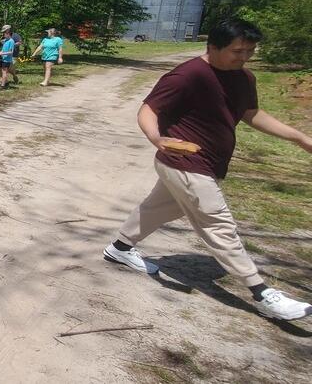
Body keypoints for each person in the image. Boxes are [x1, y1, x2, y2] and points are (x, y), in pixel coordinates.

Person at [103, 18, 312, 321]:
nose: (243, 57)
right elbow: (149, 109)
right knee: (218, 225)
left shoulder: (244, 78)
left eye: (249, 51)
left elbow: (250, 113)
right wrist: (156, 137)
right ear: (212, 47)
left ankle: (120, 247)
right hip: (183, 161)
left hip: (209, 163)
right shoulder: (188, 75)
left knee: (160, 207)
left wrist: (299, 137)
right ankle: (263, 293)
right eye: (237, 51)